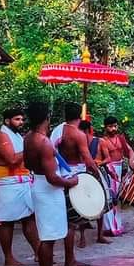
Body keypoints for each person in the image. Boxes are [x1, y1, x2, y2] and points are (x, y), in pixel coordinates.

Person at [24, 102, 79, 266]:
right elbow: (52, 178)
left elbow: (31, 163)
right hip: (48, 191)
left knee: (49, 236)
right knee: (48, 239)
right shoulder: (43, 142)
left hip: (38, 186)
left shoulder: (29, 138)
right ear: (46, 118)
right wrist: (71, 182)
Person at [0, 108, 40, 266]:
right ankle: (8, 258)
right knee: (7, 222)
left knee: (29, 218)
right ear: (7, 121)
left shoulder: (16, 136)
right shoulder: (1, 136)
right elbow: (12, 160)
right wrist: (29, 146)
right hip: (7, 184)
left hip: (22, 182)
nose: (21, 122)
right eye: (17, 119)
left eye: (22, 119)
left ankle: (39, 253)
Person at [57, 103, 110, 247]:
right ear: (79, 116)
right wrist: (95, 172)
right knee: (79, 210)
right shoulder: (78, 135)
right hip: (78, 174)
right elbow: (88, 160)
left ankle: (80, 242)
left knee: (71, 213)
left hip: (62, 173)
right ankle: (70, 259)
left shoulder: (58, 131)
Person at [97, 116, 134, 236]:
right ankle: (110, 227)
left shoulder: (120, 139)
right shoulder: (102, 141)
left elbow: (131, 151)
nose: (113, 128)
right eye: (110, 126)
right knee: (111, 198)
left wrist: (131, 161)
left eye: (115, 126)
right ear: (105, 127)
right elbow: (102, 159)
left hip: (120, 168)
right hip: (109, 169)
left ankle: (117, 225)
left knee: (116, 199)